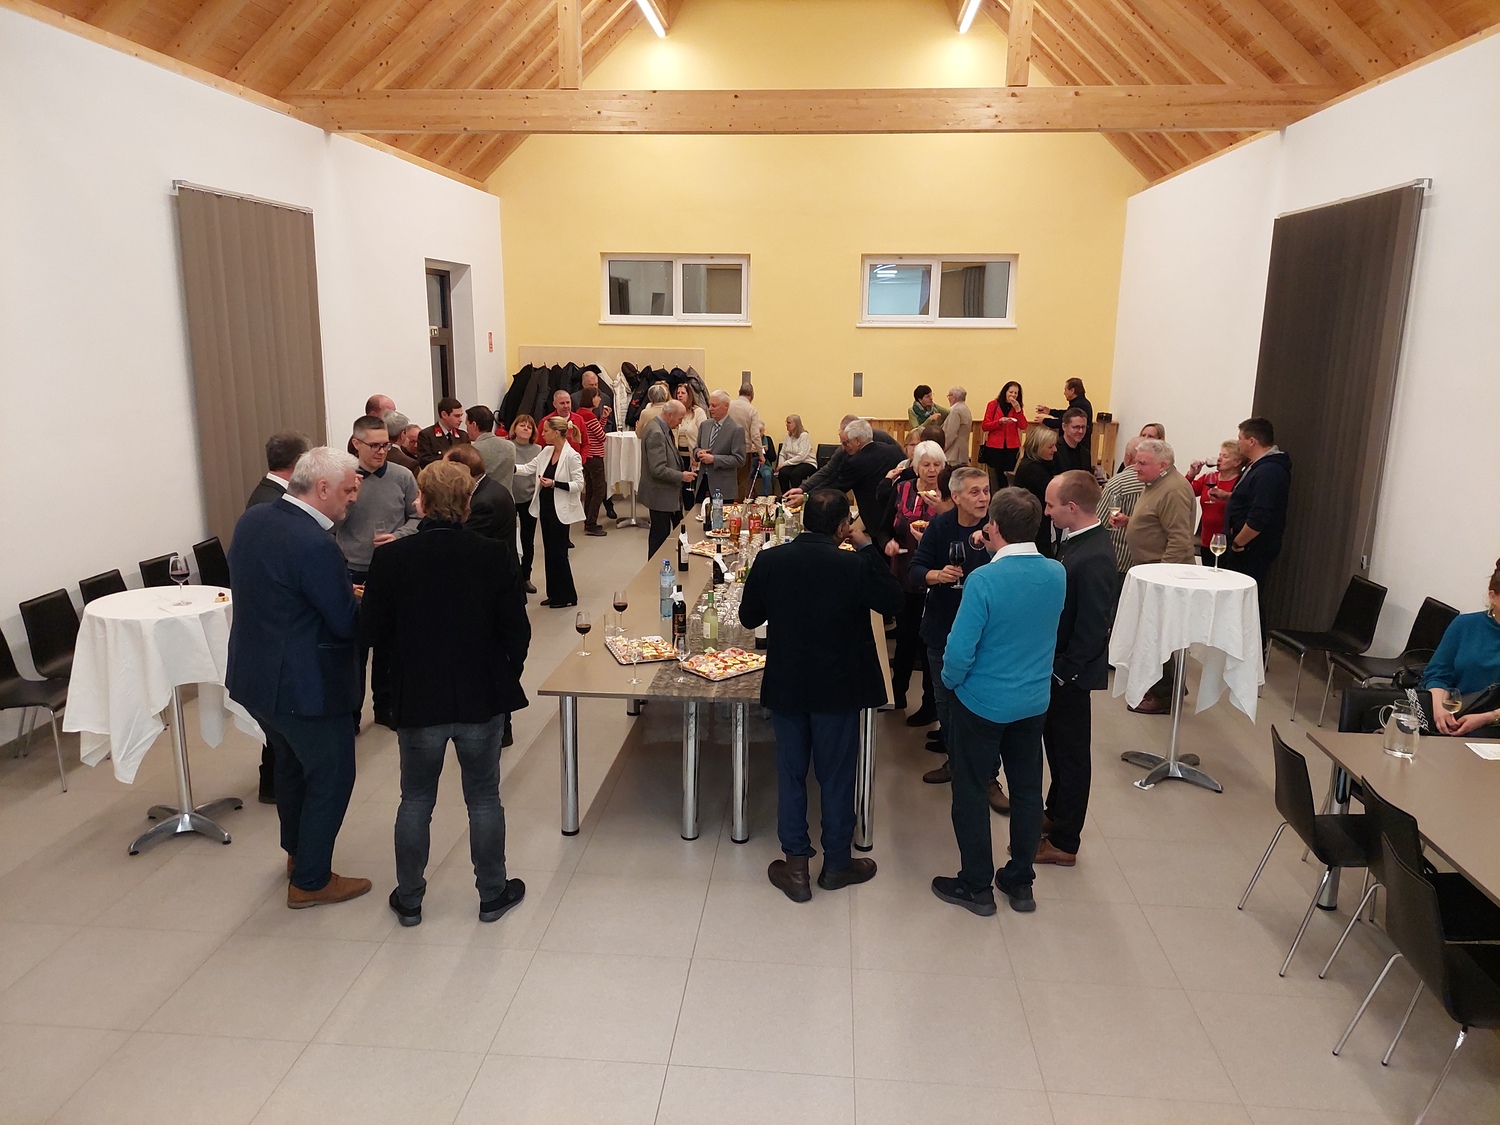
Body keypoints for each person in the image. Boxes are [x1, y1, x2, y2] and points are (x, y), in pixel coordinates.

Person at [361, 461, 530, 928]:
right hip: (481, 693)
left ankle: (410, 898)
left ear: (421, 502)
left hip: (419, 697)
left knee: (416, 799)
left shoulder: (393, 559)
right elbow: (517, 630)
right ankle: (492, 894)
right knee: (484, 798)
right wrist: (504, 673)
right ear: (467, 503)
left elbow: (371, 632)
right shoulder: (493, 555)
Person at [738, 489, 904, 902]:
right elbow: (893, 600)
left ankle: (796, 866)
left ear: (803, 520)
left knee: (791, 772)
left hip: (788, 682)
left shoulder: (771, 560)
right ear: (843, 527)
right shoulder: (853, 564)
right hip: (838, 685)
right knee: (836, 775)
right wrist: (867, 547)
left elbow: (749, 616)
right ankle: (836, 863)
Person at [227, 447, 371, 909]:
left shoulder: (254, 520)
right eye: (348, 490)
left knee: (290, 767)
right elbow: (344, 623)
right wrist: (367, 602)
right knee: (332, 775)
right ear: (322, 488)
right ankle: (311, 881)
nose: (352, 498)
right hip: (305, 686)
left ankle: (297, 853)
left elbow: (277, 588)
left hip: (255, 677)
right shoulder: (315, 544)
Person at [931, 487, 1065, 916]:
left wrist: (951, 683)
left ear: (993, 527)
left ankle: (976, 884)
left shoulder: (984, 580)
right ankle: (1020, 881)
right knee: (1027, 790)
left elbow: (959, 651)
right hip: (1033, 700)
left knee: (970, 789)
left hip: (982, 702)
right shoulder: (1057, 573)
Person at [1039, 471, 1117, 866]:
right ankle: (1055, 813)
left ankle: (1065, 841)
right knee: (1056, 749)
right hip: (1060, 667)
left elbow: (1093, 627)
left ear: (1071, 507)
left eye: (1051, 505)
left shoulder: (1096, 555)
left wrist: (1062, 672)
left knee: (1071, 758)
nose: (1046, 512)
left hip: (1070, 674)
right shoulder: (1075, 541)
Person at [908, 468, 993, 789]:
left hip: (985, 633)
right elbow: (916, 569)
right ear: (955, 497)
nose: (983, 498)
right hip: (943, 626)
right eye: (975, 492)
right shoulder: (941, 526)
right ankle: (956, 764)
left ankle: (988, 777)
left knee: (983, 704)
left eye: (986, 490)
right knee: (945, 701)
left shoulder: (996, 528)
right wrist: (937, 575)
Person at [244, 430, 311, 804]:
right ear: (299, 463)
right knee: (278, 729)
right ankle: (272, 784)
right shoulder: (271, 503)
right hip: (277, 626)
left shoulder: (266, 495)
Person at [1108, 439, 1195, 715]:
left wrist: (1163, 578)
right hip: (1150, 570)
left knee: (1159, 637)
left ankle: (1164, 694)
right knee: (1153, 633)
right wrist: (1131, 522)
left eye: (1142, 463)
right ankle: (1171, 686)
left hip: (1163, 575)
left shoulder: (1174, 490)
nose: (1135, 467)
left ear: (1163, 465)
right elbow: (1156, 521)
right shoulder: (1155, 483)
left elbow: (1179, 540)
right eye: (1136, 461)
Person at [883, 440, 949, 720]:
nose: (932, 470)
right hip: (904, 571)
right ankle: (896, 694)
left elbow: (956, 530)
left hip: (936, 576)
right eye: (926, 464)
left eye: (937, 464)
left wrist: (942, 509)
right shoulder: (902, 489)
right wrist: (887, 543)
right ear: (915, 466)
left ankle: (930, 706)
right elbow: (884, 527)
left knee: (929, 642)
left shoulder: (949, 495)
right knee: (905, 637)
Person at [785, 419, 903, 546]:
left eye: (846, 443)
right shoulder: (893, 451)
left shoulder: (855, 462)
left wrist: (805, 497)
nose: (843, 447)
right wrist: (804, 490)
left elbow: (834, 486)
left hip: (876, 518)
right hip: (898, 513)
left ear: (857, 441)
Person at [337, 415, 419, 587]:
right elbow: (331, 524)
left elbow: (417, 517)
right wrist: (349, 499)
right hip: (354, 568)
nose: (381, 451)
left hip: (395, 563)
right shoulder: (342, 478)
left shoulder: (403, 476)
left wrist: (397, 536)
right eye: (374, 445)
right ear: (356, 444)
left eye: (385, 445)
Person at [514, 416, 584, 608]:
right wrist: (509, 466)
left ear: (556, 432)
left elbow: (579, 484)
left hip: (559, 510)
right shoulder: (546, 451)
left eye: (546, 431)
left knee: (559, 552)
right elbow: (527, 468)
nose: (542, 434)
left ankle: (567, 595)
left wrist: (554, 484)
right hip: (545, 508)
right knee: (549, 551)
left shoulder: (571, 456)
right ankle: (553, 593)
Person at [1426, 560, 1500, 736]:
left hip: (1493, 726)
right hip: (1455, 716)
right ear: (1493, 596)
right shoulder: (1465, 625)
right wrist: (1439, 708)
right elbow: (1437, 673)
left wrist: (1489, 717)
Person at [1223, 417, 1292, 584]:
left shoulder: (1269, 471)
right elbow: (1252, 497)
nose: (1238, 442)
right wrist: (1228, 497)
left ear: (1252, 441)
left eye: (1240, 438)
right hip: (1247, 548)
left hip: (1251, 550)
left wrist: (1238, 543)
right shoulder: (1256, 466)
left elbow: (1260, 514)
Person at [640, 399, 698, 556]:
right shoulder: (656, 433)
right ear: (670, 415)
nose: (680, 423)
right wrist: (681, 476)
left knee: (667, 533)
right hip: (660, 494)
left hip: (665, 493)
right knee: (659, 537)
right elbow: (657, 469)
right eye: (680, 419)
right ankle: (655, 567)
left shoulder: (659, 427)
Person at [445, 444, 516, 550]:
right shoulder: (489, 486)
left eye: (445, 468)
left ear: (461, 470)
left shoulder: (483, 504)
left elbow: (464, 542)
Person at [1186, 440, 1246, 563]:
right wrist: (1191, 475)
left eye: (1225, 456)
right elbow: (1184, 493)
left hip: (1228, 543)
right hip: (1206, 541)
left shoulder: (1241, 482)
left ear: (1237, 462)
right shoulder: (1209, 477)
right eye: (1219, 455)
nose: (1219, 459)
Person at [1096, 435, 1145, 577]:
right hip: (1144, 560)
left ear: (1127, 457)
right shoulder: (1157, 484)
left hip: (1118, 560)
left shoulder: (1117, 484)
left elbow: (1099, 521)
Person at [1013, 424, 1059, 556]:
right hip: (1032, 526)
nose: (1055, 450)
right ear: (1038, 448)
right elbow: (1055, 492)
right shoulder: (1032, 469)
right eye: (1050, 447)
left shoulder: (1036, 465)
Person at [693, 390, 747, 502]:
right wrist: (698, 453)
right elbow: (696, 447)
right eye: (709, 405)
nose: (710, 409)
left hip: (723, 487)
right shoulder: (705, 425)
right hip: (703, 482)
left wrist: (714, 459)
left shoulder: (736, 429)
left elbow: (739, 459)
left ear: (726, 406)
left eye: (714, 406)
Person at [509, 415, 540, 595]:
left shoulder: (538, 449)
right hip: (510, 498)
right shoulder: (508, 447)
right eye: (522, 425)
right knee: (510, 538)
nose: (526, 428)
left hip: (529, 498)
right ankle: (512, 576)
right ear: (515, 428)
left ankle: (526, 576)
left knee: (528, 540)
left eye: (529, 426)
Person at [979, 381, 1027, 490]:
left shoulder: (1017, 407)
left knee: (1008, 476)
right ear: (1005, 392)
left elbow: (1023, 426)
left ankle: (1007, 496)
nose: (1013, 395)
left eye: (1016, 393)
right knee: (995, 477)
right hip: (994, 446)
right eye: (1011, 392)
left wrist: (1018, 410)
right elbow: (985, 426)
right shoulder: (993, 404)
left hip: (1012, 447)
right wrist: (999, 422)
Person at [576, 386, 610, 537]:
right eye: (597, 396)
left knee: (590, 489)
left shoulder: (581, 413)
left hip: (587, 456)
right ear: (591, 398)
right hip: (595, 456)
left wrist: (603, 418)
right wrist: (602, 421)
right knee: (599, 490)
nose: (599, 399)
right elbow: (601, 437)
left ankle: (588, 520)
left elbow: (594, 432)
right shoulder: (589, 415)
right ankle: (591, 523)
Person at [466, 405, 517, 495]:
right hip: (506, 499)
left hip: (482, 499)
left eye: (467, 425)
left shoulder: (472, 451)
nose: (466, 429)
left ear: (474, 425)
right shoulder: (510, 446)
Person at [728, 382, 765, 499]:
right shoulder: (751, 410)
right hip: (744, 451)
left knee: (728, 481)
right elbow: (755, 435)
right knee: (741, 483)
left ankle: (726, 506)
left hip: (726, 450)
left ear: (739, 392)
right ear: (752, 395)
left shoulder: (728, 406)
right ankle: (738, 506)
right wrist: (761, 455)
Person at [1035, 377, 1093, 450]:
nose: (1064, 393)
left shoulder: (1080, 405)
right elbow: (1066, 413)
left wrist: (1044, 421)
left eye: (1065, 390)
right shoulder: (1081, 403)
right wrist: (1050, 412)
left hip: (1076, 446)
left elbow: (1062, 422)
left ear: (1072, 390)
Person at [416, 397, 468, 467]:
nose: (461, 420)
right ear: (444, 415)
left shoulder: (463, 436)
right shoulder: (427, 435)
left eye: (461, 415)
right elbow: (424, 462)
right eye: (456, 416)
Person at [539, 388, 590, 459]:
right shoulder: (546, 421)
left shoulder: (579, 419)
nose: (566, 406)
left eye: (568, 402)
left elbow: (586, 443)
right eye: (562, 403)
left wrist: (581, 460)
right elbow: (540, 445)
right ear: (554, 404)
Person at [777, 414, 817, 494]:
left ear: (796, 424)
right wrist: (780, 464)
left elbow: (801, 456)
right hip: (793, 463)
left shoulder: (804, 436)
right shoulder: (788, 436)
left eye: (789, 423)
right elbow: (783, 453)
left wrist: (784, 463)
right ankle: (786, 495)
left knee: (795, 474)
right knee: (782, 473)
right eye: (786, 422)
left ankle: (796, 496)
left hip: (807, 462)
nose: (786, 424)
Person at [1053, 407, 1091, 474]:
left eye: (1083, 427)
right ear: (1064, 427)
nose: (1081, 431)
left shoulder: (1085, 453)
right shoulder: (1054, 450)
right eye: (1076, 427)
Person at [942, 386, 973, 467]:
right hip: (962, 452)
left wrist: (943, 448)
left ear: (953, 398)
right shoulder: (966, 409)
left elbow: (951, 433)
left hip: (954, 453)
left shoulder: (956, 411)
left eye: (949, 396)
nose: (948, 399)